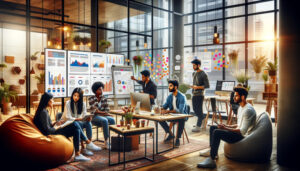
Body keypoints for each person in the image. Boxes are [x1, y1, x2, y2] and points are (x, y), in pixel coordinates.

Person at [197, 85, 256, 169]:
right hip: (240, 132)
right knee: (213, 127)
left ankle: (212, 159)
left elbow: (242, 131)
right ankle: (213, 152)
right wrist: (226, 125)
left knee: (217, 132)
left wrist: (225, 128)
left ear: (242, 97)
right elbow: (238, 124)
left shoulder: (248, 110)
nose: (234, 98)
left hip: (243, 137)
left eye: (236, 96)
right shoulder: (241, 107)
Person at [33, 93, 101, 162]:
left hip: (52, 130)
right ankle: (86, 144)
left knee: (76, 126)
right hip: (51, 133)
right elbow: (48, 130)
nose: (53, 101)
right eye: (52, 100)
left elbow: (48, 125)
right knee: (75, 125)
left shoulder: (44, 110)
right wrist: (57, 127)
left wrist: (56, 123)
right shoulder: (43, 112)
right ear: (47, 101)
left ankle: (79, 153)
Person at [61, 88, 99, 156]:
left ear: (80, 97)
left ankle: (89, 143)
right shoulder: (68, 103)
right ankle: (83, 147)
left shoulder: (83, 104)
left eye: (78, 96)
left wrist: (87, 117)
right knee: (78, 124)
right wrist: (79, 119)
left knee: (88, 123)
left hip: (79, 121)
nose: (76, 97)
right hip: (70, 123)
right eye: (74, 95)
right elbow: (68, 117)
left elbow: (84, 114)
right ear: (72, 95)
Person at [160, 80, 189, 147]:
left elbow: (180, 110)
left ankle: (178, 138)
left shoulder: (182, 97)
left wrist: (168, 111)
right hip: (171, 116)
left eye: (170, 86)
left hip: (181, 116)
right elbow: (165, 106)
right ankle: (171, 134)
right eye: (169, 86)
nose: (169, 87)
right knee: (160, 119)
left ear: (175, 87)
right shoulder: (170, 97)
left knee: (181, 120)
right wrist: (160, 109)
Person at [89, 82, 115, 149]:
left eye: (102, 89)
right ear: (95, 91)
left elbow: (107, 110)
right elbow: (95, 111)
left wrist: (105, 113)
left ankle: (114, 139)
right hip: (94, 117)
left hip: (102, 116)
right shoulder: (91, 98)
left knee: (112, 119)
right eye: (99, 89)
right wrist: (106, 114)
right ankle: (106, 141)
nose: (101, 91)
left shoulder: (104, 98)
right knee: (105, 120)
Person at [190, 59, 210, 132]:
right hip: (194, 94)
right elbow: (195, 84)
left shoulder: (203, 74)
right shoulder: (194, 73)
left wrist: (197, 87)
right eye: (193, 65)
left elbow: (207, 85)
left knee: (199, 110)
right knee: (195, 110)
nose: (193, 67)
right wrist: (193, 87)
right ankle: (203, 119)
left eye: (194, 65)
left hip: (200, 95)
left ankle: (198, 126)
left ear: (198, 65)